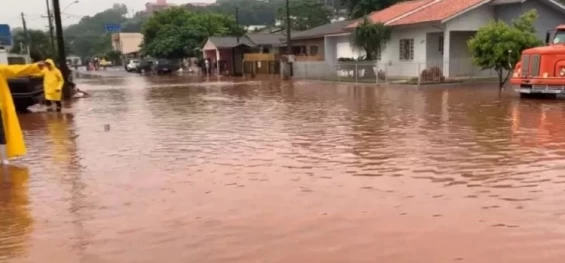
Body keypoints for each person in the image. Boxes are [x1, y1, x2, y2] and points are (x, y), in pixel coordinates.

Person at [0, 61, 47, 164]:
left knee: (1, 134)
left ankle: (3, 159)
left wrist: (35, 67)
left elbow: (17, 69)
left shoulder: (1, 70)